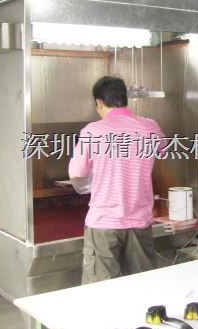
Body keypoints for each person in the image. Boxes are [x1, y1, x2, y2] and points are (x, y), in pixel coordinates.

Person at [69, 76, 165, 284]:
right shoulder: (150, 127)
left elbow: (76, 173)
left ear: (98, 103)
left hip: (104, 223)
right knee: (142, 288)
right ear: (125, 99)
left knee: (101, 292)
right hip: (140, 222)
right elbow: (162, 150)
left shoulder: (92, 131)